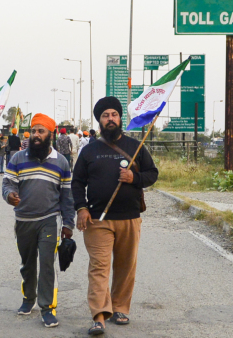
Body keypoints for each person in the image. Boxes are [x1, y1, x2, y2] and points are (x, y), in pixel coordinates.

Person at [72, 97, 158, 336]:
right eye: (105, 115)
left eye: (114, 114)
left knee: (125, 266)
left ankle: (120, 308)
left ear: (120, 118)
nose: (110, 119)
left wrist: (134, 179)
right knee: (99, 267)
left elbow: (153, 174)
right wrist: (81, 208)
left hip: (130, 217)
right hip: (97, 220)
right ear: (99, 120)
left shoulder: (135, 147)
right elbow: (77, 183)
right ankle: (99, 315)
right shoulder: (89, 150)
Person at [2, 113, 75, 328]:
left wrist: (68, 224)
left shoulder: (61, 162)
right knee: (27, 263)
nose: (36, 135)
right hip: (23, 220)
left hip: (49, 220)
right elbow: (7, 184)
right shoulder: (17, 158)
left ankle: (47, 308)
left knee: (46, 263)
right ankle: (28, 298)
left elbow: (67, 196)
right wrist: (10, 195)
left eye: (40, 131)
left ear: (50, 134)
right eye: (33, 131)